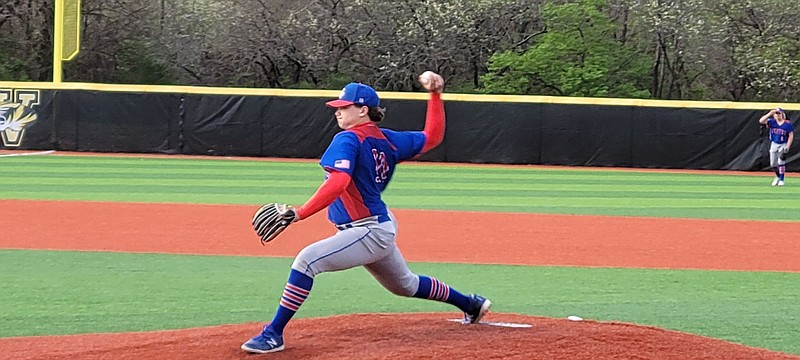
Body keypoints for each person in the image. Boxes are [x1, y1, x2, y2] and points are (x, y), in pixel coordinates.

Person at [241, 72, 492, 354]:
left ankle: (273, 333)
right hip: (377, 227)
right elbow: (432, 137)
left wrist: (301, 212)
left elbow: (338, 181)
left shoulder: (347, 139)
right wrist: (436, 95)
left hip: (367, 230)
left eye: (344, 107)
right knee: (405, 285)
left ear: (363, 110)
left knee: (307, 261)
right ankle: (471, 304)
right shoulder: (389, 139)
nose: (338, 111)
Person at [758, 108, 794, 186]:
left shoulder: (787, 123)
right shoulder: (772, 122)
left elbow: (791, 135)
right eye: (776, 114)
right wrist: (770, 113)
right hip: (774, 143)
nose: (778, 115)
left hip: (783, 143)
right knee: (773, 164)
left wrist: (787, 146)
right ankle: (778, 176)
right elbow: (761, 121)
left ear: (782, 114)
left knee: (781, 161)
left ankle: (781, 179)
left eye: (779, 113)